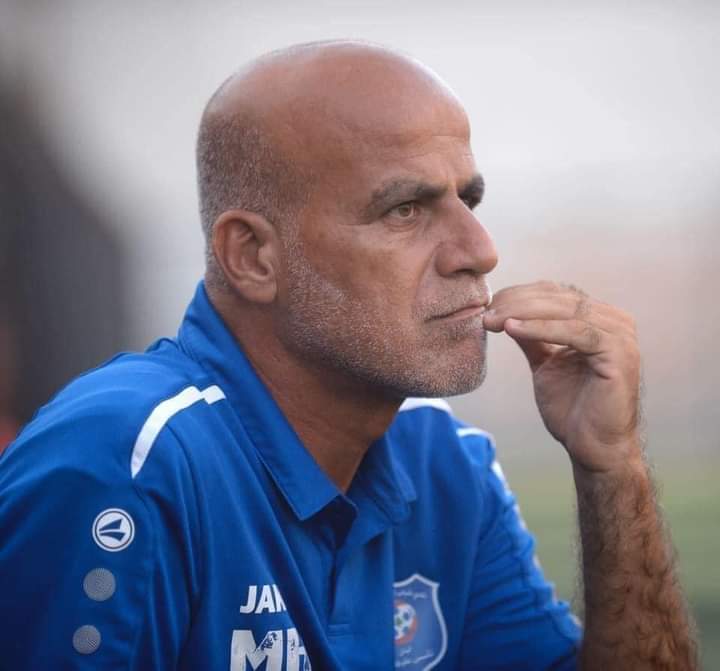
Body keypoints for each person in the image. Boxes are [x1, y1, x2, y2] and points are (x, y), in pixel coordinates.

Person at [0, 41, 697, 670]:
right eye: (406, 209)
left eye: (469, 199)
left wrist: (613, 466)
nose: (480, 250)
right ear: (253, 255)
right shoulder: (125, 462)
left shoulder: (446, 468)